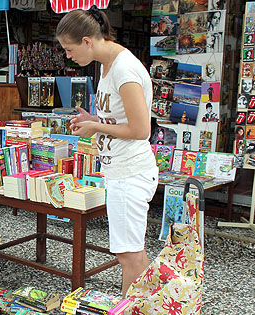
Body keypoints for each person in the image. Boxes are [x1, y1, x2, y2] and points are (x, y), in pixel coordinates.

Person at [56, 6, 159, 299]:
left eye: (70, 48)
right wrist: (94, 120)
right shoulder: (107, 65)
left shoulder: (124, 70)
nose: (68, 56)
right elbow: (119, 119)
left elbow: (141, 130)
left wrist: (96, 126)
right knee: (132, 253)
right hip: (120, 170)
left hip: (130, 171)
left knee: (128, 256)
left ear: (88, 41)